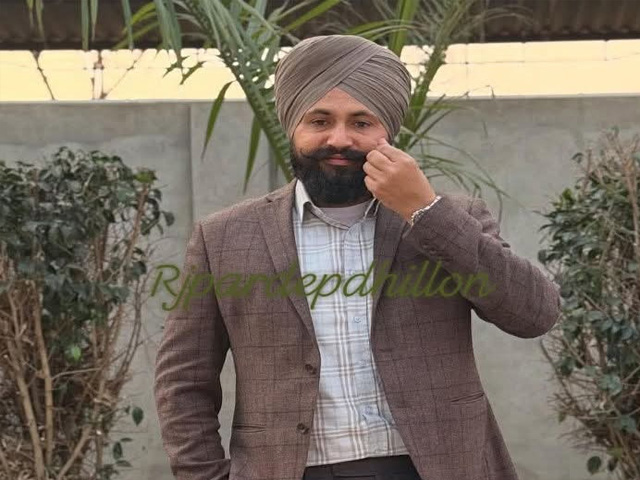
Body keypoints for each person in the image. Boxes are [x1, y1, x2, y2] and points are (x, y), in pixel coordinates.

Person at [154, 34, 561, 480]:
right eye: (320, 120)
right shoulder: (224, 238)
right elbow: (183, 381)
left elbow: (534, 314)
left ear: (388, 133)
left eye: (361, 122)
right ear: (293, 126)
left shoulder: (448, 218)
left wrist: (424, 211)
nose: (339, 139)